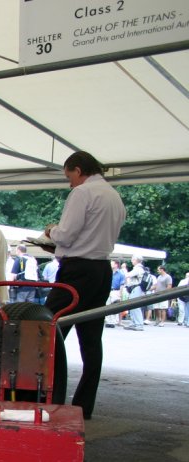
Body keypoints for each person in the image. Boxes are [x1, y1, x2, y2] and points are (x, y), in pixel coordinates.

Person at [43, 150, 125, 419]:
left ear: (78, 170)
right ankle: (83, 404)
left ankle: (45, 396)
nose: (70, 183)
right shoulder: (114, 196)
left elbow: (66, 235)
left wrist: (50, 231)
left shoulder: (82, 193)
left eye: (70, 176)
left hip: (78, 269)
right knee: (91, 339)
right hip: (101, 268)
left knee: (49, 330)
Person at [123, 256, 147, 331]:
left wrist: (124, 269)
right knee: (132, 306)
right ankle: (134, 323)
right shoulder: (139, 268)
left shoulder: (138, 268)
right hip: (136, 289)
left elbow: (127, 275)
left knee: (135, 306)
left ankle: (139, 324)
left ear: (136, 260)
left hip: (136, 288)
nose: (131, 261)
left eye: (133, 259)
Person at [105, 260, 124, 328]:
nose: (110, 264)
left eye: (112, 263)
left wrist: (120, 293)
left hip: (116, 291)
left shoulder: (120, 273)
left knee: (114, 306)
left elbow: (122, 284)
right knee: (107, 305)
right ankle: (108, 321)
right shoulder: (109, 272)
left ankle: (113, 322)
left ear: (116, 265)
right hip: (109, 290)